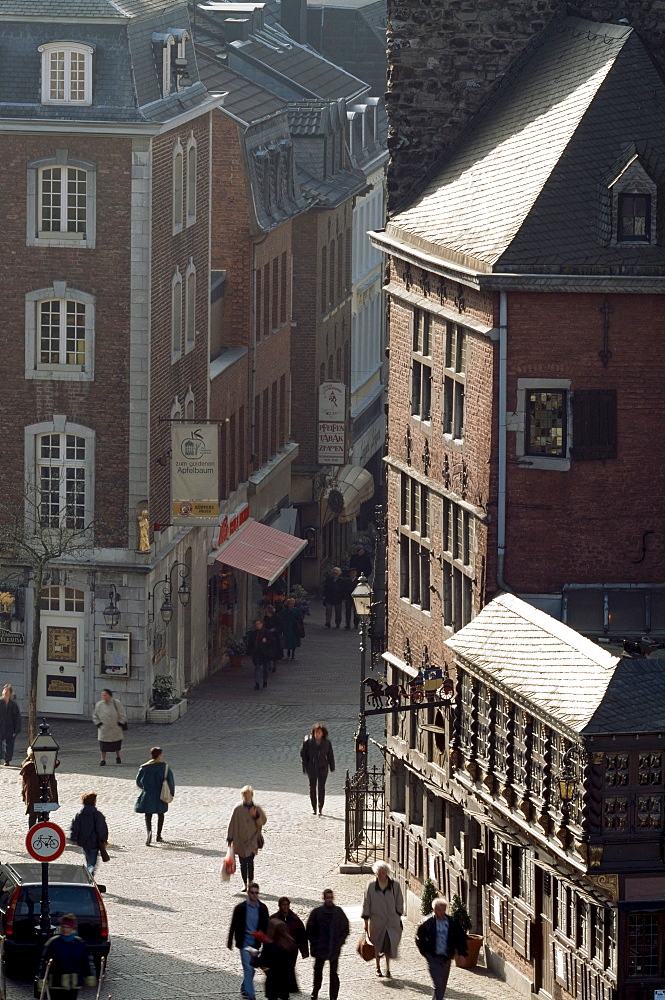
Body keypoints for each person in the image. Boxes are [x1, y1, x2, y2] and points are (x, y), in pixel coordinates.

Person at [416, 897, 468, 1000]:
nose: (442, 913)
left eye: (444, 910)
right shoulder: (426, 923)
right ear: (434, 910)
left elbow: (460, 938)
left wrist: (462, 953)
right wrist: (426, 953)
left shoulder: (452, 922)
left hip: (446, 957)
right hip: (433, 957)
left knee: (442, 985)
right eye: (439, 910)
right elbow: (419, 938)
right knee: (438, 984)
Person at [36, 913, 96, 1000]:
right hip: (57, 983)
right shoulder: (53, 942)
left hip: (73, 984)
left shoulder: (79, 943)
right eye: (63, 927)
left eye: (67, 927)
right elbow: (43, 962)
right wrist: (42, 979)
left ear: (72, 928)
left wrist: (90, 977)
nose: (65, 929)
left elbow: (86, 962)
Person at [227, 881, 269, 1000]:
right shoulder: (240, 908)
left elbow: (266, 927)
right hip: (244, 942)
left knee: (252, 968)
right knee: (248, 967)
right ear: (248, 893)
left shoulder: (262, 908)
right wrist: (230, 941)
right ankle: (251, 995)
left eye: (256, 893)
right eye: (252, 893)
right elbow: (233, 925)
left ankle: (244, 986)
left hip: (255, 943)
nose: (254, 895)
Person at [362, 861, 404, 978]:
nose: (381, 874)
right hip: (376, 922)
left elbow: (399, 900)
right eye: (379, 872)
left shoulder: (394, 885)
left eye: (383, 872)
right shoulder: (371, 886)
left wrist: (397, 913)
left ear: (387, 873)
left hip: (391, 921)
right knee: (376, 945)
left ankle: (388, 968)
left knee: (389, 945)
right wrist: (366, 921)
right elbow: (366, 903)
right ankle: (377, 967)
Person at [306, 889, 349, 1000]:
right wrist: (315, 943)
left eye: (331, 897)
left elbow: (345, 929)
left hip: (334, 948)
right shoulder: (317, 912)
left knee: (333, 974)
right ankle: (315, 991)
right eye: (327, 897)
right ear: (324, 898)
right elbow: (310, 930)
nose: (329, 900)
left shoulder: (338, 912)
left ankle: (333, 996)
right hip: (320, 949)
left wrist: (340, 942)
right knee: (318, 972)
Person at [226, 785, 267, 890]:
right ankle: (245, 883)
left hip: (252, 840)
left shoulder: (256, 808)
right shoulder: (238, 809)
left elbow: (263, 822)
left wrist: (255, 815)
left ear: (252, 795)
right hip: (239, 840)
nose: (247, 797)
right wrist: (229, 838)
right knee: (243, 863)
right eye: (245, 795)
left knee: (250, 861)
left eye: (249, 795)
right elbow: (232, 824)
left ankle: (251, 882)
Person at [134, 746, 175, 845]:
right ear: (159, 756)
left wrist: (145, 787)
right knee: (161, 814)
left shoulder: (144, 767)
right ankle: (158, 835)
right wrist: (171, 793)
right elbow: (171, 781)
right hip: (161, 794)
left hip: (148, 794)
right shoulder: (165, 767)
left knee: (148, 814)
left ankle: (149, 832)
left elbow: (138, 782)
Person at [271, 897, 309, 994]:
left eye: (287, 905)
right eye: (284, 905)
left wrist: (304, 951)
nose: (286, 907)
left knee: (290, 967)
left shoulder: (295, 919)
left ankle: (288, 988)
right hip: (278, 949)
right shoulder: (273, 919)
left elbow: (301, 936)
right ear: (279, 906)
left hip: (291, 949)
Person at [257, 918, 298, 1000]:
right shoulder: (291, 944)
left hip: (273, 981)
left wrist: (254, 955)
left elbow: (262, 962)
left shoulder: (270, 946)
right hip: (286, 980)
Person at [70, 793, 109, 877]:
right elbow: (101, 829)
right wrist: (104, 840)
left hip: (83, 842)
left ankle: (89, 876)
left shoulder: (79, 814)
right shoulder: (98, 815)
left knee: (88, 860)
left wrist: (74, 839)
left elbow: (75, 827)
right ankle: (89, 877)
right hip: (94, 843)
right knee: (92, 863)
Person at [300, 724, 335, 816]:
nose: (317, 734)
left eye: (319, 732)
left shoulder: (327, 743)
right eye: (316, 732)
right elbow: (303, 755)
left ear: (323, 733)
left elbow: (330, 755)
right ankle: (314, 807)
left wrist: (332, 767)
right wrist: (305, 766)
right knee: (312, 787)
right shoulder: (308, 742)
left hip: (322, 767)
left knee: (321, 787)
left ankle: (320, 807)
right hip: (311, 767)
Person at [21, 747, 59, 828]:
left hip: (32, 794)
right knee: (42, 815)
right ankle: (41, 831)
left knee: (33, 815)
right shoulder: (42, 765)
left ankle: (32, 832)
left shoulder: (27, 766)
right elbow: (55, 763)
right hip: (43, 793)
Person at [92, 688, 127, 765]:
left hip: (115, 727)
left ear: (110, 695)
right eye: (102, 695)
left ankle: (118, 756)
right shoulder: (99, 704)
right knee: (103, 745)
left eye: (105, 695)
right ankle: (103, 759)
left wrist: (121, 722)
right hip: (104, 728)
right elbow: (95, 715)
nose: (104, 697)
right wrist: (98, 723)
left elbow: (122, 713)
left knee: (117, 744)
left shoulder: (116, 703)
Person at [245, 620, 280, 691]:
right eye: (256, 624)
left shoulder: (267, 632)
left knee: (265, 669)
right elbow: (250, 643)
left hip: (265, 654)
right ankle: (257, 683)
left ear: (262, 624)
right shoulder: (253, 633)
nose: (257, 625)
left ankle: (265, 681)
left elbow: (272, 641)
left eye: (258, 624)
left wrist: (266, 641)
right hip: (256, 653)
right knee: (257, 668)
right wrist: (248, 652)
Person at [0, 684, 21, 765]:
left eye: (7, 690)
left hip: (10, 727)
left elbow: (17, 718)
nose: (5, 692)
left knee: (9, 744)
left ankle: (7, 759)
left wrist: (16, 730)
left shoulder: (13, 705)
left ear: (10, 693)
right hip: (0, 727)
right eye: (4, 690)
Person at [262, 605, 284, 670]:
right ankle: (269, 666)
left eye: (266, 610)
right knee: (268, 652)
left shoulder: (276, 617)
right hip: (268, 636)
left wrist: (275, 629)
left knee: (276, 652)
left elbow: (282, 627)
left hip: (275, 637)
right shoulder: (265, 618)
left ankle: (274, 667)